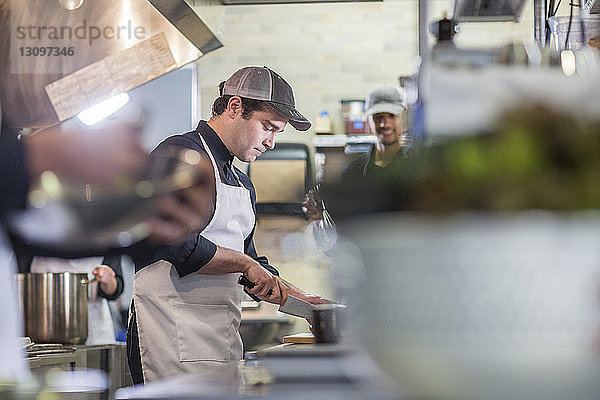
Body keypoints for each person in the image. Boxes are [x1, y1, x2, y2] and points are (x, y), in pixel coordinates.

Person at [127, 66, 331, 385]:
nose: (272, 142)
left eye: (278, 132)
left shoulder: (242, 183)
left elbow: (249, 263)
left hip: (220, 343)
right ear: (235, 107)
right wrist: (245, 263)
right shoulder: (181, 155)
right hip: (168, 337)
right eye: (268, 127)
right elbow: (175, 243)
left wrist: (304, 302)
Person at [303, 84, 410, 238]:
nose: (384, 124)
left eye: (391, 116)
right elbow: (338, 241)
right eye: (378, 117)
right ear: (368, 120)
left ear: (404, 117)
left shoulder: (417, 170)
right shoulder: (353, 173)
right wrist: (320, 219)